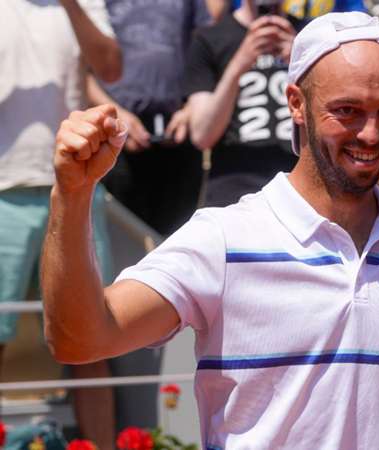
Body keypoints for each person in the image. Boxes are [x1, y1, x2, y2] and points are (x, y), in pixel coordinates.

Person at [42, 12, 379, 448]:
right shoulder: (224, 239)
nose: (371, 133)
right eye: (347, 111)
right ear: (296, 103)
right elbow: (80, 340)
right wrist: (72, 195)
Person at [0, 0, 121, 447]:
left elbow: (110, 68)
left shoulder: (85, 4)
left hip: (78, 188)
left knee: (94, 336)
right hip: (3, 190)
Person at [89, 0, 212, 236]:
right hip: (113, 133)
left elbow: (206, 46)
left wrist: (189, 109)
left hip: (178, 130)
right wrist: (114, 114)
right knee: (120, 241)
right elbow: (78, 68)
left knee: (176, 241)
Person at [184, 0, 299, 207]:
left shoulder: (311, 36)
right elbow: (202, 135)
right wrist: (240, 62)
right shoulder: (208, 39)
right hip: (234, 193)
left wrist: (301, 59)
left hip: (300, 189)